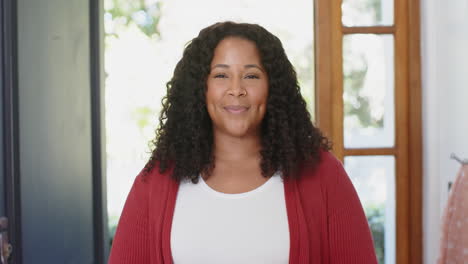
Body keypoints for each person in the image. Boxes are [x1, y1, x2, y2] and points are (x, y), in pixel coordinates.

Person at [108, 21, 378, 264]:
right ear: (200, 89)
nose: (236, 89)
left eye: (251, 76)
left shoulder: (321, 174)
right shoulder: (157, 180)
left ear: (273, 88)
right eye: (221, 75)